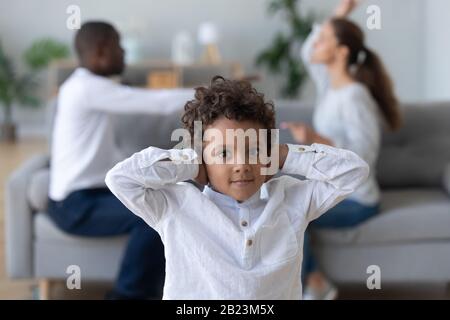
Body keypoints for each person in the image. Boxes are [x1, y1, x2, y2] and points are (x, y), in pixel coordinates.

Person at [104, 76, 369, 299]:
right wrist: (192, 164)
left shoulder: (291, 199)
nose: (241, 164)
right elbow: (121, 179)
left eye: (253, 150)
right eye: (224, 154)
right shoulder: (176, 205)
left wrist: (283, 155)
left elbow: (354, 172)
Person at [48, 21, 194, 299]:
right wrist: (212, 92)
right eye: (118, 45)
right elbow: (159, 104)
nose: (124, 52)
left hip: (89, 195)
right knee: (150, 214)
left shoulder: (90, 87)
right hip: (75, 205)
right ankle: (126, 296)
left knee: (166, 199)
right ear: (101, 52)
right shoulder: (84, 88)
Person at [281, 0, 402, 299]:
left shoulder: (355, 96)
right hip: (333, 188)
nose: (316, 44)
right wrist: (339, 14)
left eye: (325, 40)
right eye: (319, 38)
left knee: (288, 210)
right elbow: (308, 53)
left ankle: (316, 282)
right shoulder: (329, 86)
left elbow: (364, 156)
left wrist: (316, 138)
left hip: (358, 198)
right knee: (279, 199)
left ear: (341, 51)